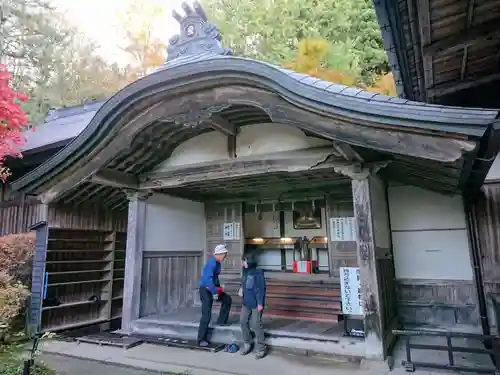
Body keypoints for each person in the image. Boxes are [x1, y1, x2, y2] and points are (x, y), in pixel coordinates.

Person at [197, 244, 232, 347]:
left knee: (227, 299)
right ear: (219, 254)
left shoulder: (218, 263)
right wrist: (215, 292)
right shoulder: (211, 263)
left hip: (213, 288)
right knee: (206, 315)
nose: (225, 257)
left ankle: (221, 321)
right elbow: (207, 281)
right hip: (206, 290)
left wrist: (218, 288)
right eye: (224, 255)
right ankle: (201, 339)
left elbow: (214, 278)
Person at [238, 251, 267, 359]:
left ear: (249, 261)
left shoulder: (258, 273)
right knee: (242, 321)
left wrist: (260, 303)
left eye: (244, 260)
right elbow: (243, 282)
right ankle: (247, 342)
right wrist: (241, 288)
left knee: (256, 324)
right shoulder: (245, 271)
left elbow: (261, 289)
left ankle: (261, 347)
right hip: (246, 302)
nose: (242, 262)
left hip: (256, 303)